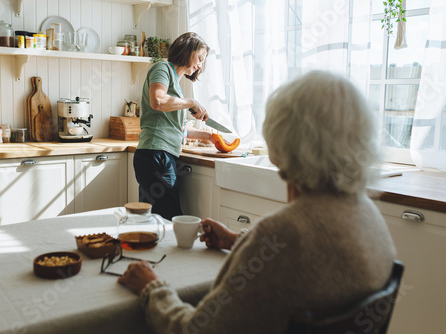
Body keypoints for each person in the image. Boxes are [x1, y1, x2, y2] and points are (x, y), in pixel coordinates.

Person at [119, 70, 397, 333]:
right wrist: (236, 241)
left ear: (282, 143)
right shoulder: (369, 216)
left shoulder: (282, 233)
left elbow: (195, 329)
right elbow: (304, 258)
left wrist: (151, 287)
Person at [134, 32, 223, 220]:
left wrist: (211, 137)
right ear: (187, 50)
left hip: (159, 155)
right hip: (156, 153)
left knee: (155, 218)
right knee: (168, 217)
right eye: (199, 58)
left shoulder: (177, 86)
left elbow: (177, 129)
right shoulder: (162, 68)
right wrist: (190, 102)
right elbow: (157, 100)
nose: (200, 65)